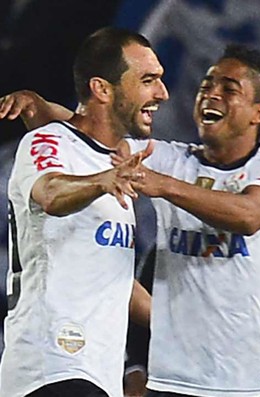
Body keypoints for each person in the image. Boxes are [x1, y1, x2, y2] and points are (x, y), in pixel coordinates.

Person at [1, 44, 260, 397]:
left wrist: (165, 187)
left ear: (259, 113)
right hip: (171, 379)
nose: (211, 94)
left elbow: (250, 216)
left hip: (250, 381)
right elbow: (98, 134)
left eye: (228, 89)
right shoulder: (170, 159)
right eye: (206, 85)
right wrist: (41, 107)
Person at [0, 26, 168, 397]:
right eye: (148, 80)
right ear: (102, 89)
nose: (162, 93)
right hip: (49, 366)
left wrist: (179, 327)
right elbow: (50, 194)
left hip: (99, 374)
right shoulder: (46, 142)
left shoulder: (113, 163)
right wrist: (102, 181)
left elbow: (114, 280)